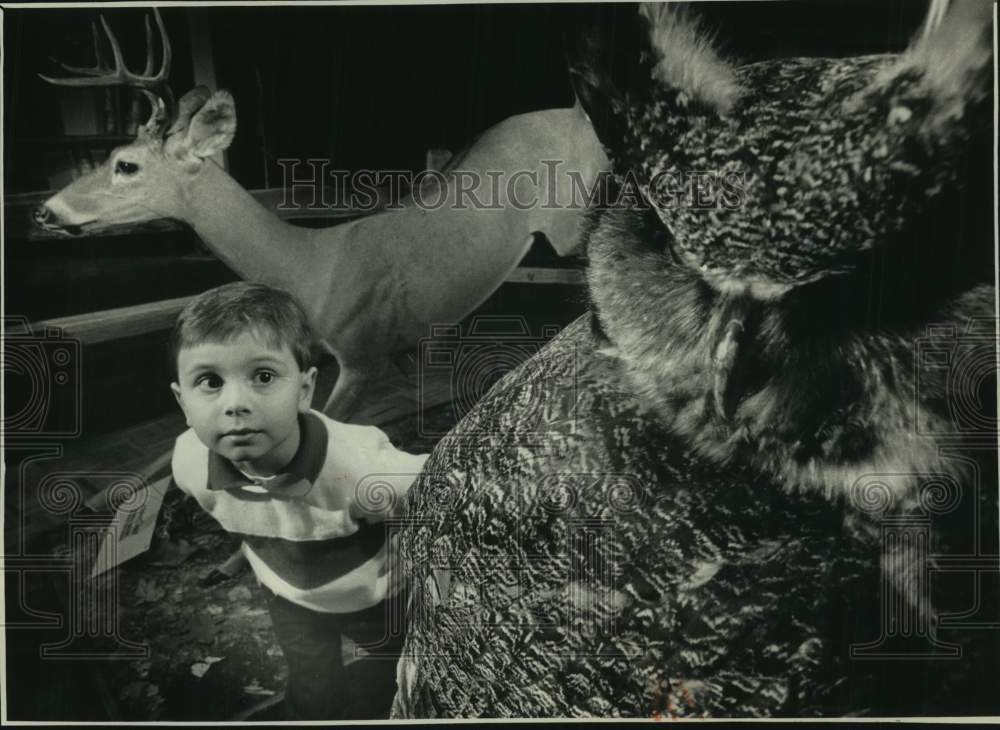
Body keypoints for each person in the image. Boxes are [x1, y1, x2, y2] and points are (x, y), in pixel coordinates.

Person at [168, 281, 427, 720]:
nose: (235, 404)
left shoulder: (360, 469)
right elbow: (248, 516)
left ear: (305, 390)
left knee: (407, 680)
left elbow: (445, 486)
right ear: (183, 402)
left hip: (381, 599)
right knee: (313, 695)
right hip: (289, 596)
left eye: (263, 377)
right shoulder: (189, 463)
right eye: (209, 381)